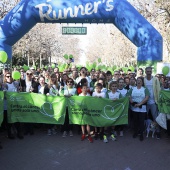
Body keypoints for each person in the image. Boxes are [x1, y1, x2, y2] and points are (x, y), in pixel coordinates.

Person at [2, 71, 24, 139]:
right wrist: (4, 93)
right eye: (7, 76)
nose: (9, 77)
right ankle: (10, 134)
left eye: (10, 76)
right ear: (5, 77)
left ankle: (19, 133)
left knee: (17, 119)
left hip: (15, 105)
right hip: (7, 106)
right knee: (9, 121)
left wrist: (20, 90)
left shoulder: (16, 83)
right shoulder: (4, 85)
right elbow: (5, 97)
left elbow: (18, 93)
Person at [129, 77, 149, 141]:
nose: (139, 82)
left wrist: (140, 104)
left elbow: (147, 97)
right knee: (135, 121)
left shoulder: (145, 89)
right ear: (136, 82)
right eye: (137, 80)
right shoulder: (132, 88)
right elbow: (129, 95)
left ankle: (141, 134)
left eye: (140, 81)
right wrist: (131, 100)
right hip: (134, 107)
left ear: (142, 82)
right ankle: (135, 132)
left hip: (142, 108)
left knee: (141, 121)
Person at [144, 67, 161, 139]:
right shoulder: (143, 79)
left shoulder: (155, 79)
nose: (149, 72)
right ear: (145, 71)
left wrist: (158, 100)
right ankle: (144, 130)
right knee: (144, 117)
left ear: (151, 71)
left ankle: (158, 132)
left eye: (150, 71)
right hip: (145, 101)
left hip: (154, 101)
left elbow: (159, 90)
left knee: (156, 118)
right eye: (147, 71)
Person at [20, 70, 39, 135]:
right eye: (27, 74)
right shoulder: (21, 82)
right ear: (25, 74)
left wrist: (33, 91)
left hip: (31, 101)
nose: (29, 75)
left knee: (31, 115)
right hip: (24, 101)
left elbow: (36, 92)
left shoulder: (34, 83)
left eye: (30, 74)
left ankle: (31, 129)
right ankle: (25, 130)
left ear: (32, 75)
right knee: (25, 115)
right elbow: (18, 90)